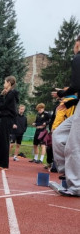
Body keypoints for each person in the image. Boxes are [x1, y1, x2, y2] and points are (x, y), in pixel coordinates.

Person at [49, 34, 80, 197]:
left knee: (73, 145)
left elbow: (75, 85)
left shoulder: (78, 58)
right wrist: (68, 103)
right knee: (58, 134)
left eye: (76, 42)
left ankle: (76, 186)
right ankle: (67, 172)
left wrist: (62, 92)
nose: (74, 46)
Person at [0, 76, 18, 169]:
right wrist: (2, 95)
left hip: (7, 118)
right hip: (4, 118)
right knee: (1, 141)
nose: (3, 84)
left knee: (4, 141)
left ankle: (4, 164)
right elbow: (1, 105)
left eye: (5, 82)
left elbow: (1, 106)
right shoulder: (8, 93)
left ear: (9, 83)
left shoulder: (11, 93)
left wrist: (1, 96)